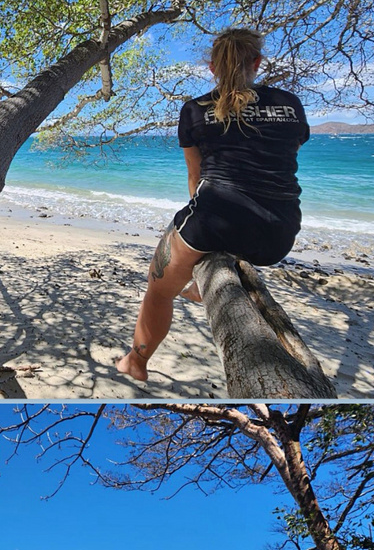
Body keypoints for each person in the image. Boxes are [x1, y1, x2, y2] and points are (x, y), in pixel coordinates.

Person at [118, 28, 311, 382]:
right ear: (257, 62)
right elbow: (283, 165)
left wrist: (191, 232)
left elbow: (196, 180)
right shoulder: (290, 104)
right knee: (217, 233)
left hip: (215, 218)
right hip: (280, 232)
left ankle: (135, 362)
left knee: (158, 288)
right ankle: (196, 283)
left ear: (212, 67)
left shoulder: (194, 110)